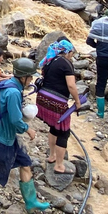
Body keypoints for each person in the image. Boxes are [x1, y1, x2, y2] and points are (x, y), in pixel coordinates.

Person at [0, 58, 51, 214]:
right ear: (23, 77)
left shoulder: (10, 85)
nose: (31, 80)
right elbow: (14, 119)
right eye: (30, 77)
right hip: (3, 139)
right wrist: (28, 129)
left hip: (9, 138)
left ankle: (31, 202)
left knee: (25, 164)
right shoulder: (13, 92)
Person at [36, 39, 83, 174]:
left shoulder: (50, 60)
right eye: (72, 54)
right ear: (67, 52)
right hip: (55, 102)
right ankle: (59, 165)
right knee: (63, 132)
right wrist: (78, 102)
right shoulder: (66, 64)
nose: (72, 56)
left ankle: (52, 156)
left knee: (53, 127)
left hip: (42, 99)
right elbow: (71, 85)